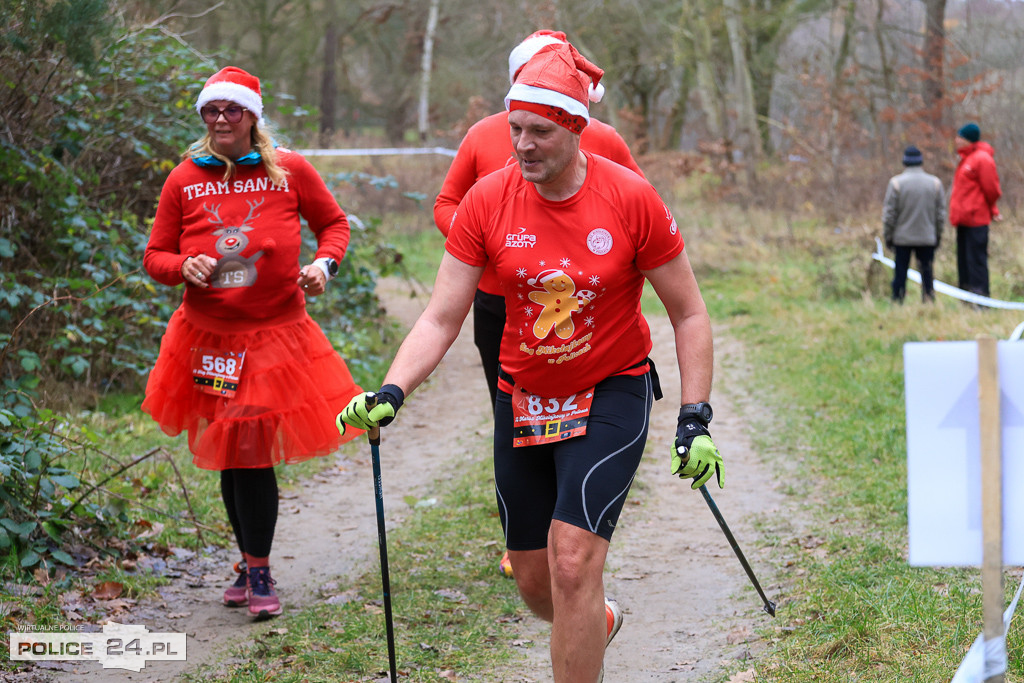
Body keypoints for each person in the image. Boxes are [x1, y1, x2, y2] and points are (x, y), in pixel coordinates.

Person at [340, 43, 722, 682]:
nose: (523, 144)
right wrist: (392, 388)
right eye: (515, 128)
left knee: (573, 563)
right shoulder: (487, 201)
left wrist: (695, 415)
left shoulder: (630, 198)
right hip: (522, 398)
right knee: (535, 578)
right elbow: (440, 316)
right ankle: (594, 624)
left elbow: (689, 313)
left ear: (577, 128)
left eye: (540, 131)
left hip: (610, 389)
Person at [141, 66, 365, 620]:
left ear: (252, 116)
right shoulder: (183, 178)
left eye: (231, 110)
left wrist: (323, 265)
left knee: (251, 449)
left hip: (274, 336)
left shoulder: (288, 170)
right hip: (207, 338)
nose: (221, 120)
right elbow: (154, 257)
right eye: (211, 111)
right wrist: (181, 265)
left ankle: (258, 569)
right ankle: (248, 560)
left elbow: (334, 224)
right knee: (229, 452)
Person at [433, 29, 645, 579]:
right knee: (515, 411)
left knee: (572, 547)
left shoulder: (606, 144)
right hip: (498, 298)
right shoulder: (485, 136)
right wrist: (482, 246)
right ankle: (530, 534)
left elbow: (643, 227)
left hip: (583, 309)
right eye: (518, 120)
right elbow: (448, 204)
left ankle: (568, 534)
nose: (524, 141)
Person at [883, 145, 946, 303]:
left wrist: (888, 236)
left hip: (902, 238)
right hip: (927, 237)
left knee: (900, 273)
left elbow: (889, 216)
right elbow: (940, 215)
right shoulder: (935, 183)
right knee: (927, 272)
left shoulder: (896, 183)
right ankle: (929, 301)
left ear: (904, 162)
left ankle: (898, 301)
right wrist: (937, 235)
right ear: (921, 162)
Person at [949, 121, 1002, 298]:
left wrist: (992, 210)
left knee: (976, 261)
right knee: (963, 261)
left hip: (976, 220)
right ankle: (965, 297)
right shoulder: (965, 159)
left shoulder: (982, 159)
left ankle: (981, 299)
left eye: (959, 137)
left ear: (968, 140)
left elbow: (992, 190)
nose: (956, 140)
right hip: (963, 220)